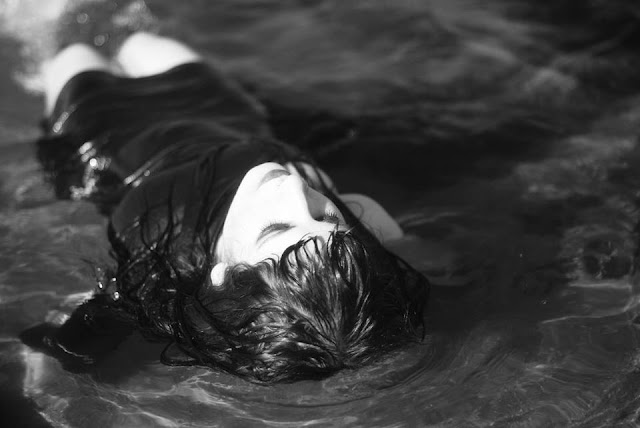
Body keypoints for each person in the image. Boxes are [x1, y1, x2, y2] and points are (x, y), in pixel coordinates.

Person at [23, 32, 430, 383]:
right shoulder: (346, 234)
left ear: (222, 274)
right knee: (139, 40)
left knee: (71, 50)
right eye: (325, 217)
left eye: (276, 228)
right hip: (218, 111)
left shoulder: (155, 263)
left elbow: (88, 329)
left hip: (104, 135)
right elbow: (376, 224)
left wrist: (55, 356)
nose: (294, 189)